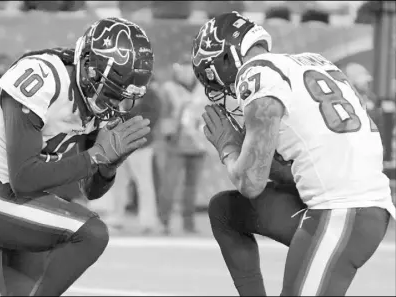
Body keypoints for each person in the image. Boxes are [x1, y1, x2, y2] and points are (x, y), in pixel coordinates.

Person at [192, 12, 395, 296]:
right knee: (225, 210)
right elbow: (300, 168)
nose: (218, 89)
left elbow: (251, 183)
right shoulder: (312, 62)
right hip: (359, 208)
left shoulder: (254, 74)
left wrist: (229, 146)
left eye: (212, 76)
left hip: (343, 213)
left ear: (225, 59)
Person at [0, 17, 154, 296]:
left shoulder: (93, 98)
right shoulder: (42, 77)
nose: (114, 103)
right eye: (110, 91)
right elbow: (23, 178)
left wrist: (110, 164)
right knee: (92, 233)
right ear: (88, 66)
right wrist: (97, 155)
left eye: (122, 96)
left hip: (24, 202)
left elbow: (90, 189)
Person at [156, 54, 208, 234]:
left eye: (189, 68)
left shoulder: (204, 89)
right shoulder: (169, 88)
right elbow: (163, 114)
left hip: (199, 144)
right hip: (176, 143)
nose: (186, 72)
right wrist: (169, 134)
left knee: (191, 187)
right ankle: (164, 222)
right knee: (169, 185)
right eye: (182, 67)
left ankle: (189, 223)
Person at [108, 77, 163, 234]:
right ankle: (116, 218)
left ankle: (147, 221)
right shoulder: (119, 92)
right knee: (118, 183)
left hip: (141, 144)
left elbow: (151, 118)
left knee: (144, 184)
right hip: (119, 144)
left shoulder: (150, 95)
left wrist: (127, 116)